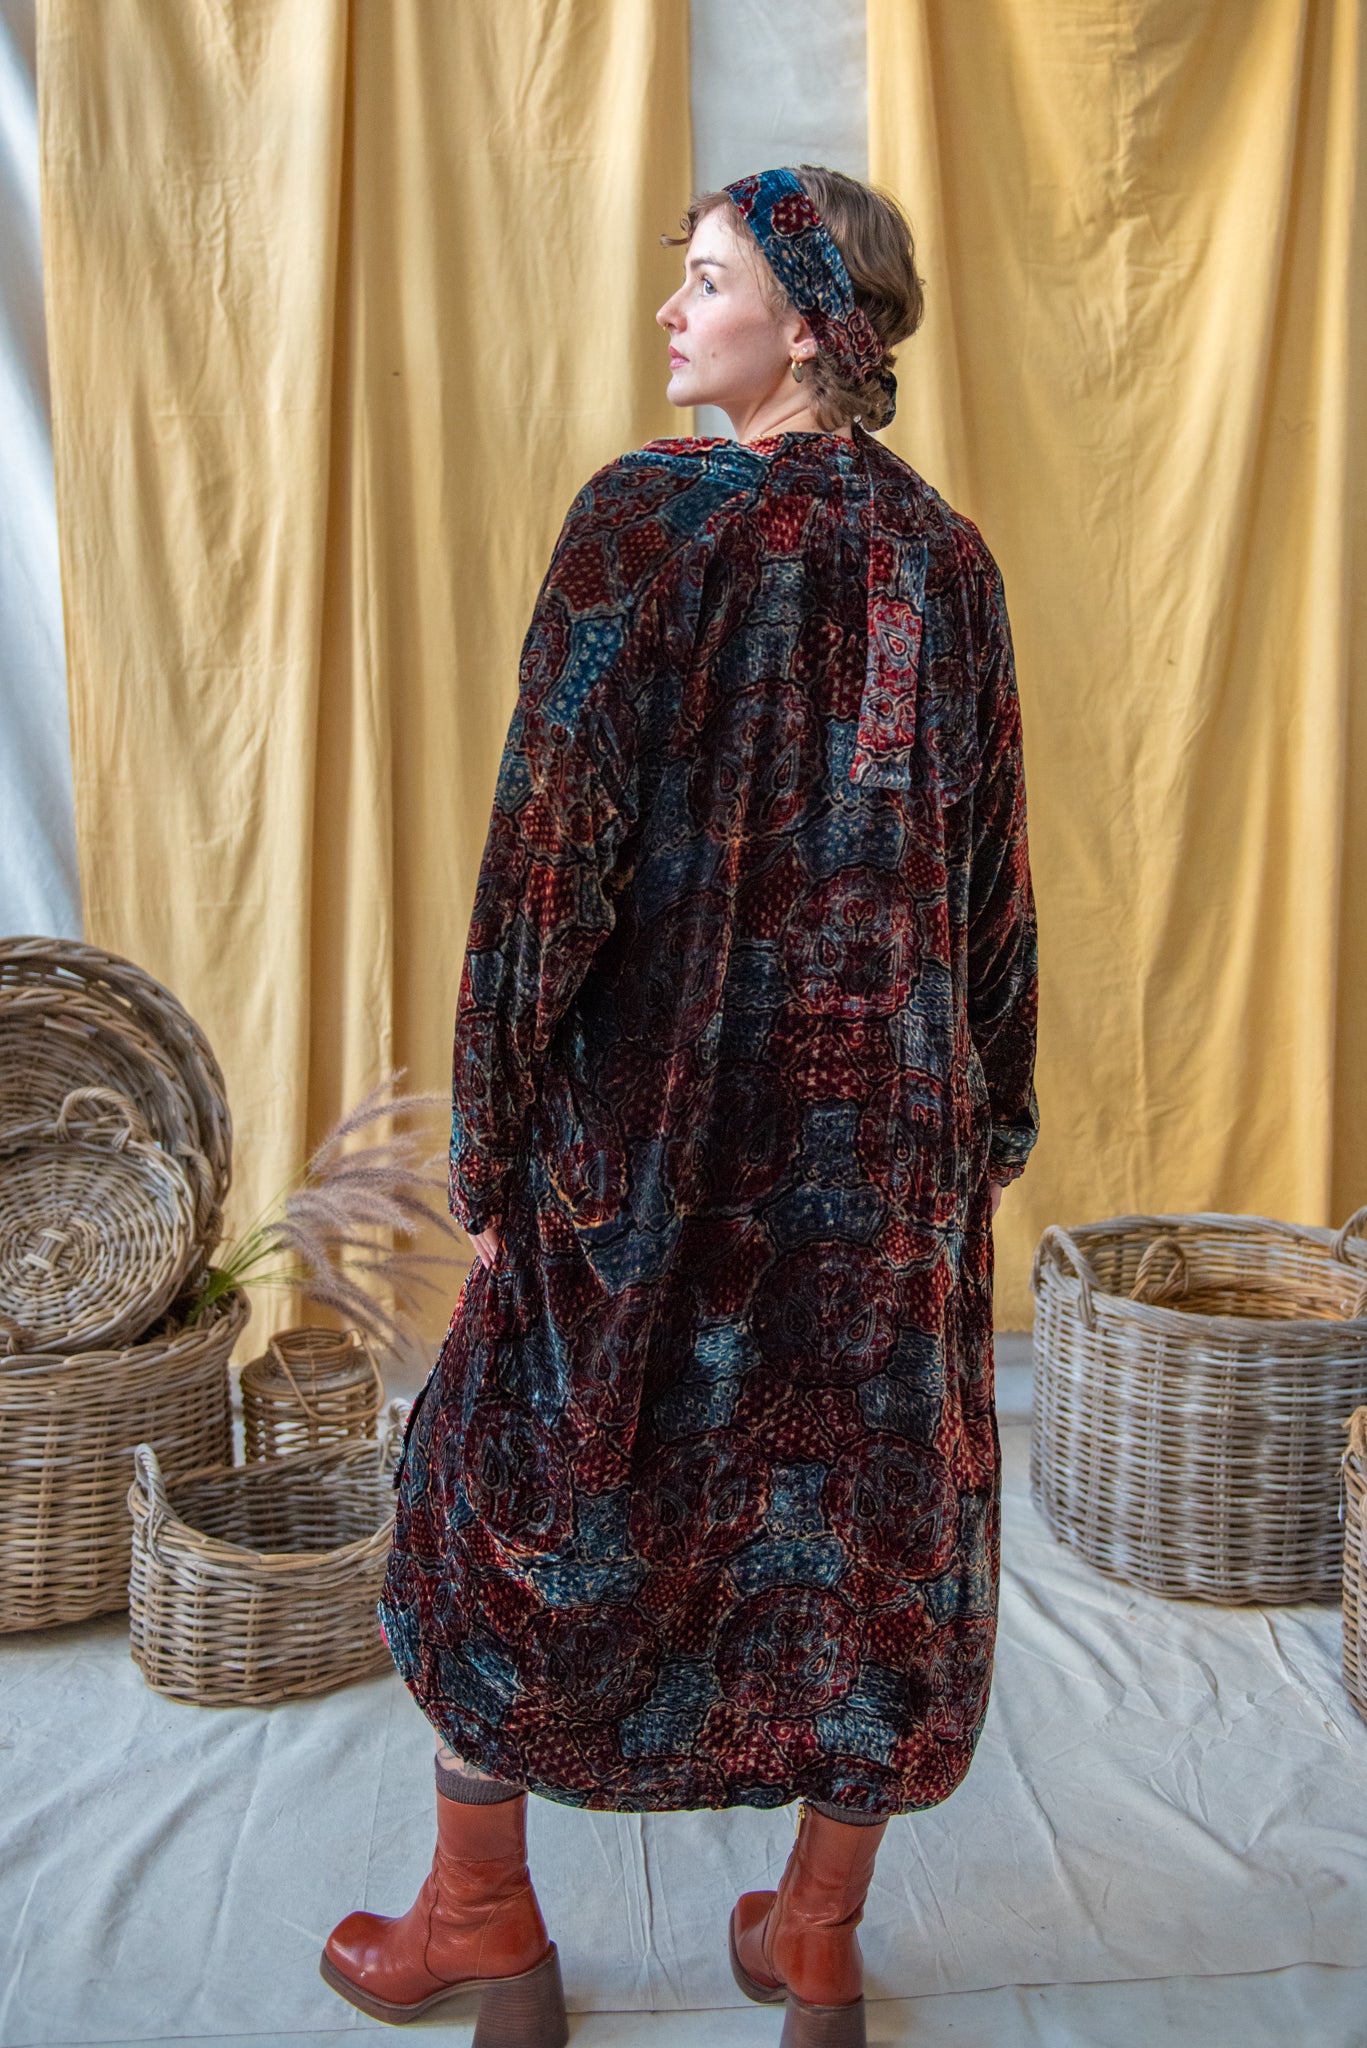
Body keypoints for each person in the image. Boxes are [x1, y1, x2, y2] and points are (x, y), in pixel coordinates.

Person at [320, 164, 1039, 2048]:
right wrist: (992, 1122)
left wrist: (493, 1124)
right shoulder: (948, 557)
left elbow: (544, 860)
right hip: (888, 1157)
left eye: (707, 278)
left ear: (806, 325)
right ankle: (815, 1940)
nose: (671, 307)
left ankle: (485, 1918)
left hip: (653, 1147)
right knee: (871, 1526)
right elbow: (992, 880)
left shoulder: (645, 522)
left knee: (505, 1490)